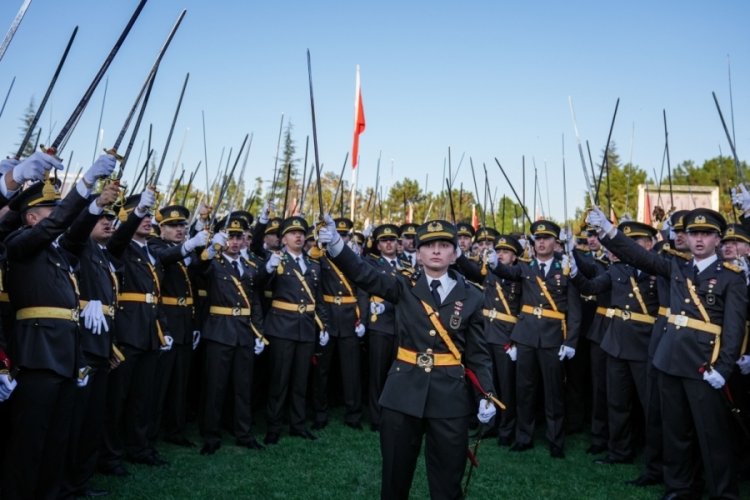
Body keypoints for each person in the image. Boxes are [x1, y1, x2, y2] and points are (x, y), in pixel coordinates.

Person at [319, 216, 497, 500]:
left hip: (450, 397)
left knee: (448, 483)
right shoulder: (402, 284)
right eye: (428, 245)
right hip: (402, 394)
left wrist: (486, 394)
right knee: (394, 479)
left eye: (443, 245)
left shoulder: (472, 296)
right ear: (418, 253)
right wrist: (338, 246)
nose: (436, 251)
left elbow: (478, 354)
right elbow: (365, 274)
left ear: (454, 253)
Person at [588, 206, 747, 499]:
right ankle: (679, 487)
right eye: (693, 233)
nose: (699, 239)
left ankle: (723, 492)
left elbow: (734, 329)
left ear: (717, 239)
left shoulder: (731, 277)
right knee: (675, 432)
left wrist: (724, 369)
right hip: (670, 360)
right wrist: (609, 231)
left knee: (712, 435)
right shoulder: (677, 266)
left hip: (704, 365)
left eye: (707, 234)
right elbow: (639, 256)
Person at [1, 152, 115, 500]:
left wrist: (92, 202)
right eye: (51, 212)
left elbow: (75, 232)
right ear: (32, 217)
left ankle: (51, 494)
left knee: (56, 440)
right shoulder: (19, 243)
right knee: (30, 442)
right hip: (37, 355)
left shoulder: (57, 253)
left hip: (65, 355)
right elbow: (59, 225)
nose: (59, 217)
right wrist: (81, 187)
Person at [487, 219, 581, 458]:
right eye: (537, 239)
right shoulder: (526, 267)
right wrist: (494, 263)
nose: (541, 242)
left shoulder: (566, 268)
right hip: (526, 336)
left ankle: (555, 441)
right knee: (524, 390)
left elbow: (574, 311)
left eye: (546, 238)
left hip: (552, 338)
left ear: (555, 242)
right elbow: (507, 271)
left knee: (553, 394)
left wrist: (570, 342)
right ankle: (523, 437)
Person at [570, 221, 659, 465]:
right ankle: (619, 451)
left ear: (650, 245)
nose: (629, 249)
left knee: (650, 405)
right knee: (616, 402)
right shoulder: (617, 270)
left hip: (645, 344)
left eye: (636, 243)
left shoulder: (658, 271)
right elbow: (591, 286)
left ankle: (655, 460)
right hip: (616, 343)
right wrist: (575, 272)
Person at [198, 215, 265, 455]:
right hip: (219, 331)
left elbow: (255, 301)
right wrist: (211, 246)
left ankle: (243, 434)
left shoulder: (249, 267)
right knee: (215, 387)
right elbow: (198, 267)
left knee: (242, 386)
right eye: (230, 237)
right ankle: (211, 435)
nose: (235, 242)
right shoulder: (213, 263)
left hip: (244, 332)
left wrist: (258, 332)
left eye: (238, 237)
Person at [262, 216, 329, 445]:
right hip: (282, 327)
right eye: (292, 233)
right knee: (279, 381)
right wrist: (269, 268)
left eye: (301, 233)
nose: (298, 236)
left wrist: (324, 325)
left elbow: (318, 299)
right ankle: (274, 426)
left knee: (301, 381)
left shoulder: (312, 264)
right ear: (283, 239)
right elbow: (259, 285)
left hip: (306, 328)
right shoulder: (276, 261)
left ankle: (298, 425)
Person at [455, 233, 523, 446]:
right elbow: (472, 272)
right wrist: (458, 254)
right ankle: (488, 425)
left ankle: (507, 429)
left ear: (514, 257)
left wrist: (516, 340)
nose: (501, 255)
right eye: (499, 251)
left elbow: (524, 310)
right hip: (486, 333)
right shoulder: (489, 272)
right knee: (486, 385)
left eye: (506, 252)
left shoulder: (520, 277)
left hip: (506, 336)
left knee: (506, 387)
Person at [148, 205, 207, 447]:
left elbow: (197, 274)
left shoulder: (184, 251)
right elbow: (166, 258)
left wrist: (206, 250)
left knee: (180, 382)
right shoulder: (155, 246)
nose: (180, 229)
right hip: (166, 321)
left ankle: (175, 429)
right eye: (173, 226)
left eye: (182, 225)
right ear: (160, 228)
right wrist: (190, 246)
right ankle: (150, 433)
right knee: (159, 383)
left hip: (184, 320)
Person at [312, 217, 367, 430]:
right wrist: (321, 321)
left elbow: (362, 290)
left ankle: (353, 415)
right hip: (327, 317)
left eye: (345, 235)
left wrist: (362, 319)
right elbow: (315, 290)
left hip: (349, 318)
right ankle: (319, 413)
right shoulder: (320, 257)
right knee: (322, 370)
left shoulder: (352, 258)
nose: (342, 238)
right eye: (339, 234)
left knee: (351, 371)